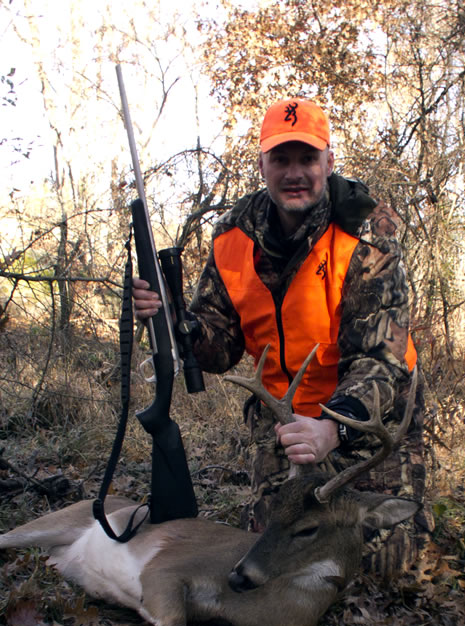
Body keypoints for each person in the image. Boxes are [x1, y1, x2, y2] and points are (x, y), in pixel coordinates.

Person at [133, 97, 433, 580]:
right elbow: (219, 345)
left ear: (329, 163)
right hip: (285, 422)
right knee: (269, 553)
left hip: (367, 421)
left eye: (307, 159)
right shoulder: (233, 234)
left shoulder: (367, 235)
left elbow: (381, 357)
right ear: (262, 165)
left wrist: (335, 427)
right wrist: (176, 324)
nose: (295, 172)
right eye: (281, 159)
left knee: (377, 565)